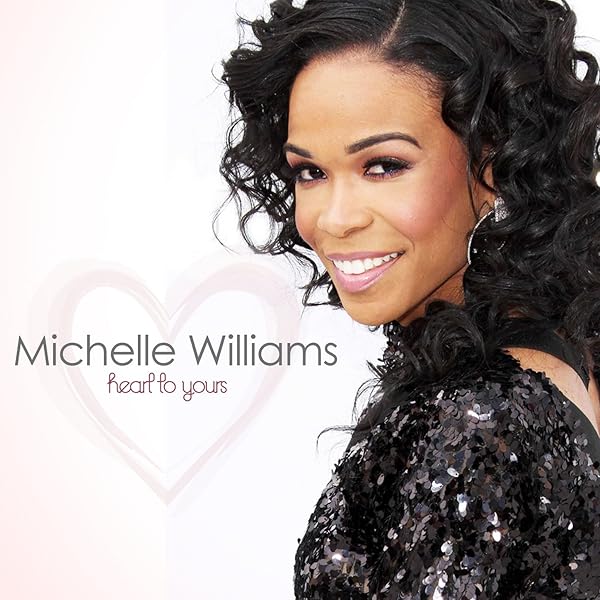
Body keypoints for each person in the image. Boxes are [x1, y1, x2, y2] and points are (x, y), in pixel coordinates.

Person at [218, 0, 600, 596]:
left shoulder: (480, 422)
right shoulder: (556, 349)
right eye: (310, 172)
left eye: (383, 165)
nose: (334, 219)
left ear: (493, 160)